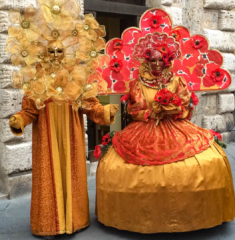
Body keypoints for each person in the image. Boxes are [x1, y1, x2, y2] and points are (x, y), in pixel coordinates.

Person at [96, 32, 235, 233]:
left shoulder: (177, 81)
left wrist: (173, 108)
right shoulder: (138, 84)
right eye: (152, 60)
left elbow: (186, 109)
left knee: (208, 162)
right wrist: (153, 111)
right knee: (117, 166)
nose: (156, 64)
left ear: (167, 60)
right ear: (146, 60)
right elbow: (134, 111)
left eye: (160, 60)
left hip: (175, 127)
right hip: (145, 128)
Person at [8, 40, 119, 237]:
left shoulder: (76, 78)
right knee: (48, 175)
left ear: (65, 53)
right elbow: (30, 110)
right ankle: (49, 223)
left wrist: (104, 111)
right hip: (45, 136)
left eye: (60, 51)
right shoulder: (36, 80)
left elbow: (89, 105)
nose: (56, 54)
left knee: (71, 173)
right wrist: (19, 120)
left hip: (71, 136)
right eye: (51, 51)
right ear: (45, 53)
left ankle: (73, 220)